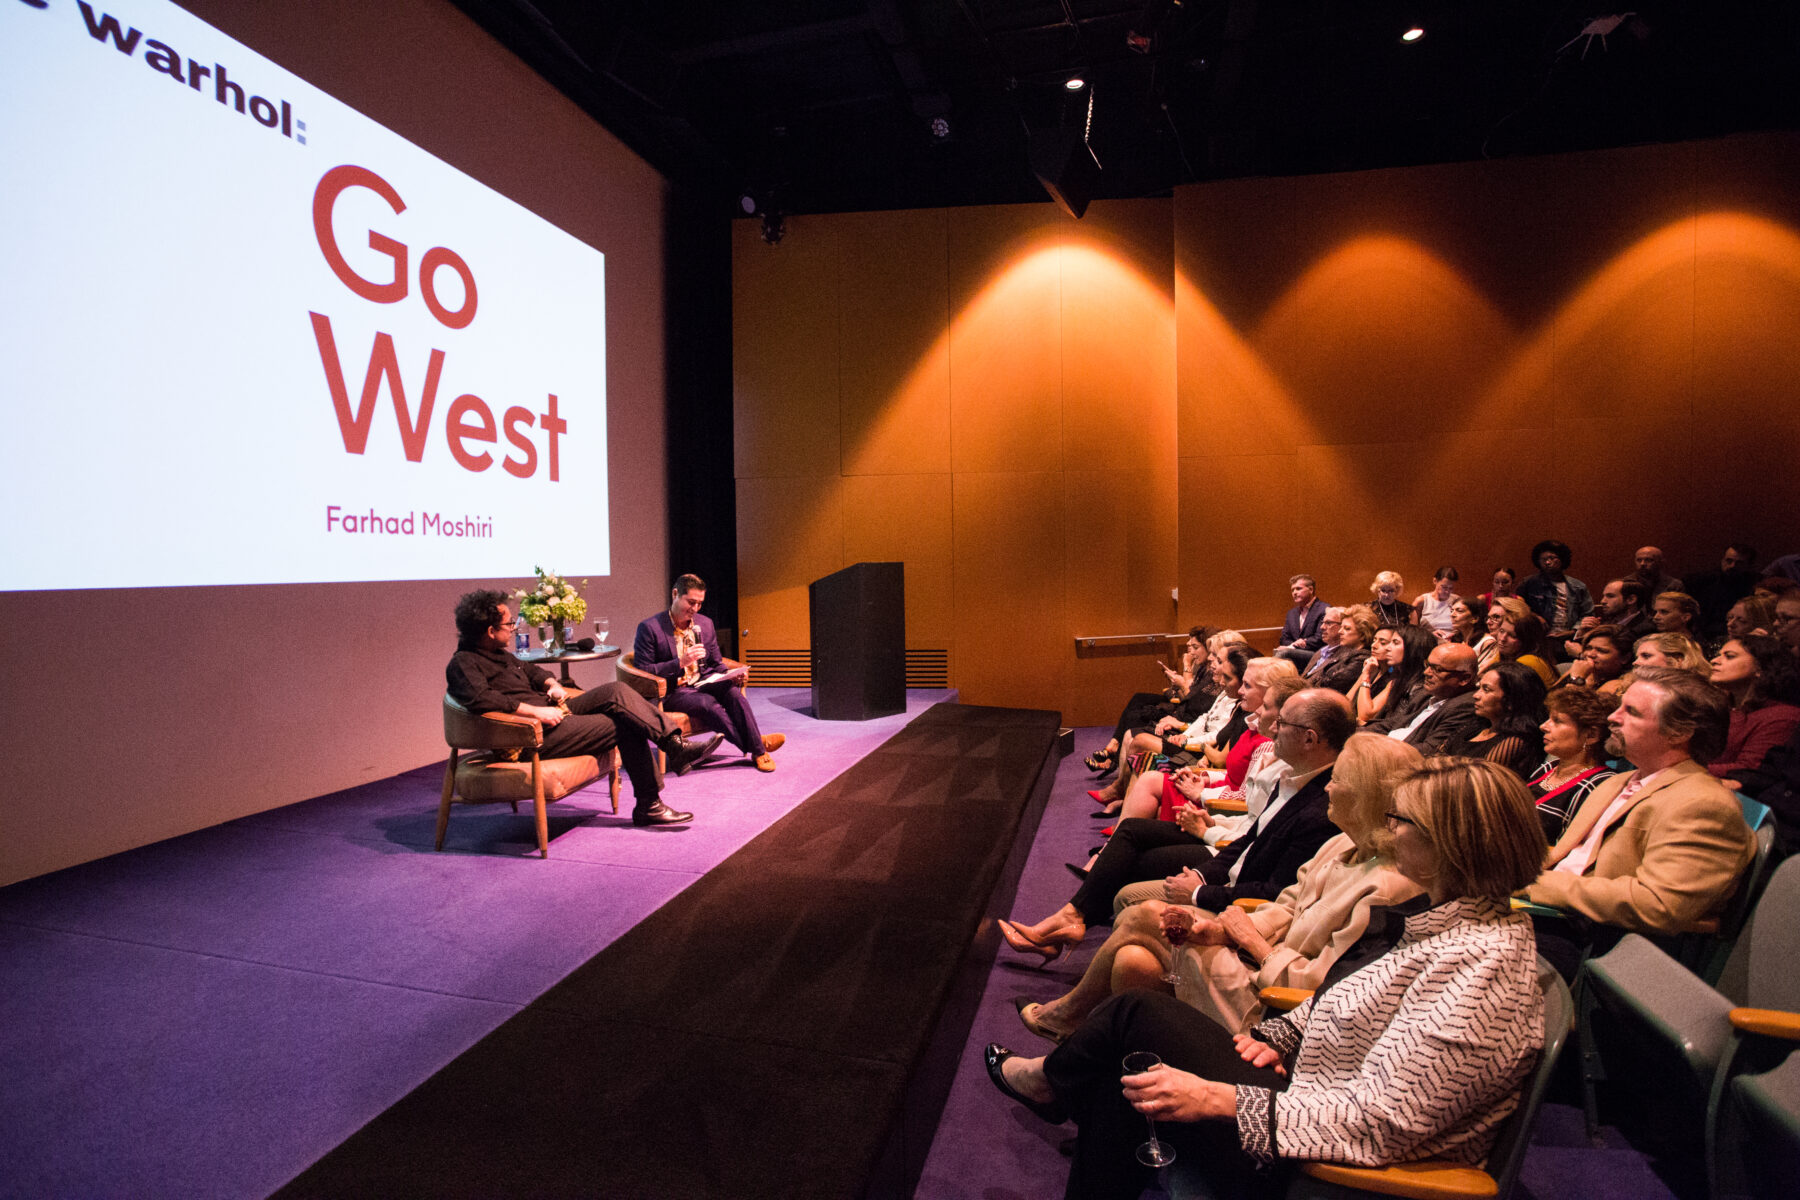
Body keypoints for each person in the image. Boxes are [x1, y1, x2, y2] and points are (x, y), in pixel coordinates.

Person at [984, 758, 1548, 1200]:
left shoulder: (1485, 971)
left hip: (1329, 1170)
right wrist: (1275, 1037)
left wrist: (1216, 1096)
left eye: (1400, 821)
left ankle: (1054, 1083)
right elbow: (1348, 1003)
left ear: (1450, 841)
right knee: (1133, 1049)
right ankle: (1058, 1087)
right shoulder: (1455, 925)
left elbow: (1384, 1124)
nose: (1389, 832)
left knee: (1136, 1029)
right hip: (1311, 1094)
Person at [1009, 736, 1424, 1044]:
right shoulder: (1343, 844)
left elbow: (1321, 988)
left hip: (1273, 1006)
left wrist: (1251, 943)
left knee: (1137, 913)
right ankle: (1105, 1086)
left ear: (1369, 794)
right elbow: (1287, 905)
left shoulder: (1387, 889)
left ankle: (1065, 1024)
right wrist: (1218, 932)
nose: (1329, 787)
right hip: (1254, 957)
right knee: (1134, 964)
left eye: (1341, 780)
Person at [998, 690, 1352, 962]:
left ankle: (1078, 923)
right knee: (1136, 797)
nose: (1266, 720)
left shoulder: (1315, 803)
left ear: (1309, 738)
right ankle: (1074, 919)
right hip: (1220, 830)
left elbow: (1221, 765)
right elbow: (1251, 834)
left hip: (1226, 850)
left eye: (1278, 718)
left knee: (1144, 759)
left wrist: (1205, 838)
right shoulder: (1287, 772)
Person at [1524, 667, 1756, 979]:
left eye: (1631, 712)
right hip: (1549, 913)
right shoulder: (1620, 781)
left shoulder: (1703, 803)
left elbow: (1658, 904)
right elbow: (1567, 856)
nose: (1612, 718)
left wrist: (1536, 886)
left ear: (1679, 732)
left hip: (1594, 944)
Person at [447, 590, 723, 826]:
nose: (514, 628)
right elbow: (481, 699)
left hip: (556, 713)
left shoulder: (499, 654)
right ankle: (650, 802)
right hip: (529, 735)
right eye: (509, 624)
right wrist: (534, 712)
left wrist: (551, 683)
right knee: (627, 723)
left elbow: (533, 671)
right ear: (490, 631)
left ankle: (675, 745)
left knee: (616, 691)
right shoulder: (464, 664)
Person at [633, 573, 784, 772]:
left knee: (733, 694)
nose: (695, 609)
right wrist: (680, 662)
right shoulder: (650, 628)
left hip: (703, 680)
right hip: (673, 690)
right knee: (707, 704)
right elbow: (643, 670)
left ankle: (755, 744)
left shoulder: (704, 623)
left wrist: (731, 674)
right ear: (675, 594)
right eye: (691, 602)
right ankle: (758, 748)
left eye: (699, 604)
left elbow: (715, 662)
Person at [1528, 687, 1619, 842]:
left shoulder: (1600, 785)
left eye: (1557, 721)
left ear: (1591, 735)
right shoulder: (1548, 768)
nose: (1543, 726)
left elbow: (1573, 848)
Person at [1707, 634, 1800, 778]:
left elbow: (1749, 770)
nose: (1714, 661)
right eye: (1718, 655)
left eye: (1729, 656)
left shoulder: (1782, 716)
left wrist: (1687, 771)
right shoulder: (1721, 709)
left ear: (1760, 668)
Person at [1437, 662, 1547, 780]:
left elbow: (1475, 784)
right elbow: (1437, 756)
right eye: (1479, 687)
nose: (1476, 695)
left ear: (1511, 700)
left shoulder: (1515, 741)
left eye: (1486, 689)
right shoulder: (1476, 726)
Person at [1364, 642, 1482, 752]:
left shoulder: (1466, 706)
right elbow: (1392, 723)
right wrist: (1354, 733)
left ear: (1464, 678)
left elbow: (1430, 749)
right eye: (1428, 665)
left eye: (1437, 669)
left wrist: (1378, 749)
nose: (1426, 672)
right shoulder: (1427, 694)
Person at [1519, 539, 1592, 652]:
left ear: (1562, 559)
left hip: (1569, 640)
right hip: (1538, 639)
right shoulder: (1529, 583)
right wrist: (1534, 616)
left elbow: (1587, 614)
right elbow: (1516, 606)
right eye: (1543, 559)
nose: (1547, 562)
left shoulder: (1578, 587)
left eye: (1552, 558)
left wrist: (1573, 631)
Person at [1350, 625, 1432, 725]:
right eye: (1374, 640)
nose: (1388, 648)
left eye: (1395, 643)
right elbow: (1348, 701)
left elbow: (1366, 715)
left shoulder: (1419, 685)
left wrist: (1366, 677)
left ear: (1412, 648)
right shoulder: (1397, 678)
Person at [1686, 543, 1760, 640]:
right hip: (1704, 635)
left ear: (1749, 565)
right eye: (1729, 561)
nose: (1732, 566)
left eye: (1739, 563)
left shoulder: (1755, 585)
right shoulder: (1703, 582)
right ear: (1722, 560)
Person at [1569, 579, 1652, 658]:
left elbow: (1620, 664)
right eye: (1604, 596)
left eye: (1610, 596)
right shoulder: (1608, 621)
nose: (1602, 601)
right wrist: (1583, 633)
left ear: (1631, 599)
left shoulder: (1644, 630)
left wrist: (1581, 655)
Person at [1305, 605, 1370, 694]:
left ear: (1362, 634)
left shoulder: (1361, 658)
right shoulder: (1321, 651)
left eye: (1347, 628)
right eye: (1322, 622)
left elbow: (1328, 685)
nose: (1340, 631)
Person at [1274, 575, 1329, 667]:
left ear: (1311, 589)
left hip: (1316, 653)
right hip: (1295, 652)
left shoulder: (1324, 609)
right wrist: (1294, 645)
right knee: (1279, 652)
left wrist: (1295, 646)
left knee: (1284, 654)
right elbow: (1284, 638)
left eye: (1298, 589)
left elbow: (1320, 638)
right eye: (1292, 590)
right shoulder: (1291, 613)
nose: (1294, 592)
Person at [1562, 624, 1632, 696]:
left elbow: (1565, 706)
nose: (1590, 654)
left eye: (1602, 651)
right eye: (1588, 648)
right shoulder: (1587, 672)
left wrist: (1576, 680)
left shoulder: (1619, 686)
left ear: (1625, 658)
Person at [1497, 611, 1555, 686]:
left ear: (1527, 640)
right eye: (1501, 631)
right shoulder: (1506, 653)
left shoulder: (1528, 662)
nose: (1502, 639)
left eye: (1512, 636)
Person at [1413, 566, 1460, 638]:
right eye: (1444, 587)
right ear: (1435, 581)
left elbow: (1463, 625)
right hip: (1428, 639)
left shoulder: (1456, 600)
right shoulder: (1422, 601)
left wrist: (1455, 634)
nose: (1447, 591)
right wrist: (1429, 634)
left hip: (1452, 640)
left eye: (1451, 588)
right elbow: (1412, 629)